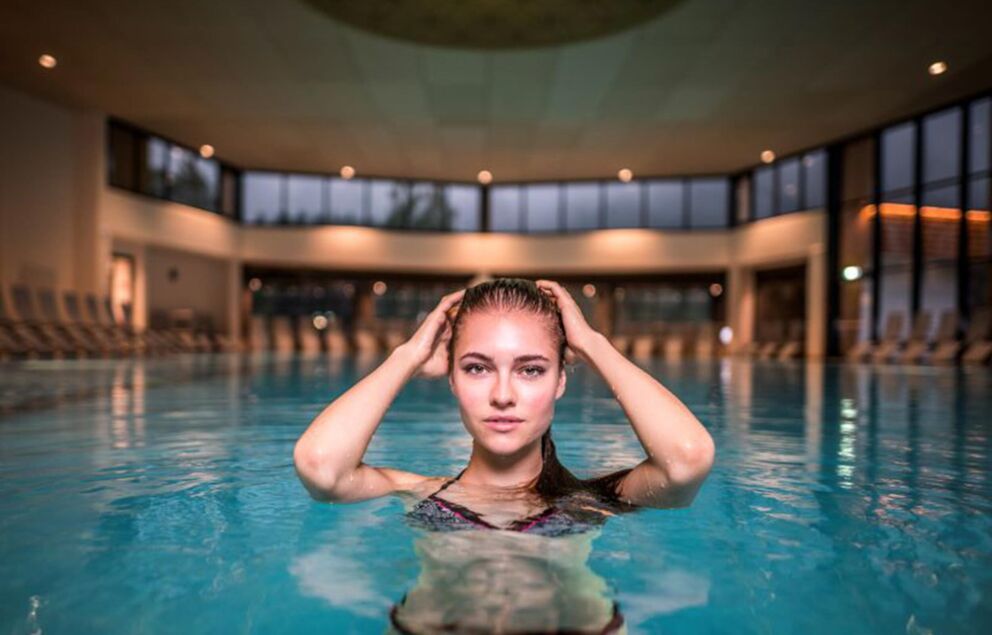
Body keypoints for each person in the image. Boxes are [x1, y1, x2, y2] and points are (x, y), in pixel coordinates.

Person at [293, 277, 714, 520]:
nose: (502, 395)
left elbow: (687, 460)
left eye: (531, 369)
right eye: (477, 367)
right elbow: (321, 467)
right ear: (453, 380)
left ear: (560, 382)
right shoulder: (421, 493)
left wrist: (592, 344)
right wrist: (408, 356)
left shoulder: (589, 500)